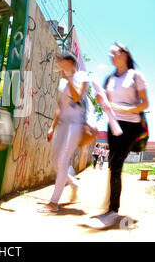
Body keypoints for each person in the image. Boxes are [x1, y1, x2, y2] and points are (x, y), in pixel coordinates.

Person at [93, 42, 149, 228]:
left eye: (114, 51)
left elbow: (145, 104)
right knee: (112, 164)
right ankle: (111, 207)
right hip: (112, 124)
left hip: (130, 125)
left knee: (116, 163)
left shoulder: (135, 75)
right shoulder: (109, 79)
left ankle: (112, 210)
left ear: (124, 53)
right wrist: (101, 100)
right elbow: (104, 102)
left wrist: (121, 108)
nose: (110, 54)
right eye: (109, 52)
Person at [40, 53, 89, 213]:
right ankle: (73, 184)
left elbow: (77, 97)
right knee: (56, 161)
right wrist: (52, 127)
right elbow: (60, 106)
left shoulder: (81, 76)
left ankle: (54, 203)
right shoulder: (62, 82)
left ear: (70, 62)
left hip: (76, 123)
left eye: (62, 62)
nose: (59, 65)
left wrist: (68, 78)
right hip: (62, 124)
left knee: (62, 159)